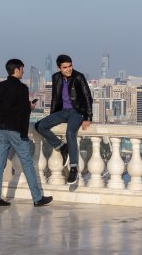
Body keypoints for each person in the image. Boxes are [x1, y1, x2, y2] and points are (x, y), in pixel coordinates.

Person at [0, 58, 53, 207]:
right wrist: (30, 108)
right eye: (22, 69)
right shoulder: (22, 89)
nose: (23, 71)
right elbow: (22, 112)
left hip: (2, 130)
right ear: (17, 69)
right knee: (27, 164)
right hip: (16, 131)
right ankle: (37, 198)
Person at [34, 54, 93, 185]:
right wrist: (52, 116)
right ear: (59, 68)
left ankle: (73, 168)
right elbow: (55, 98)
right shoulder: (56, 77)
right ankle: (62, 147)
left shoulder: (79, 77)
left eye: (70, 66)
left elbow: (88, 97)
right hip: (62, 112)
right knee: (40, 126)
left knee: (70, 133)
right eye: (65, 67)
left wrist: (88, 117)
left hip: (76, 112)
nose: (68, 69)